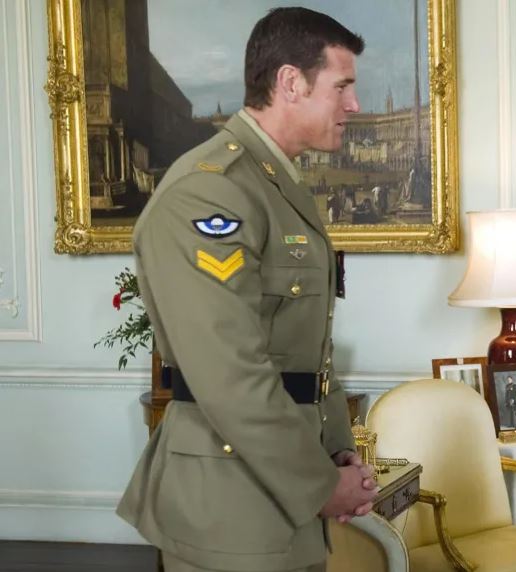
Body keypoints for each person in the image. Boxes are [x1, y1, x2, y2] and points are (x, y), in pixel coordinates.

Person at [116, 8, 377, 572]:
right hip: (230, 509)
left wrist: (337, 451)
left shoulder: (272, 183)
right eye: (342, 86)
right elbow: (229, 373)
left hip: (283, 494)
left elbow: (307, 355)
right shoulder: (210, 194)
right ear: (290, 82)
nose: (354, 104)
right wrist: (319, 484)